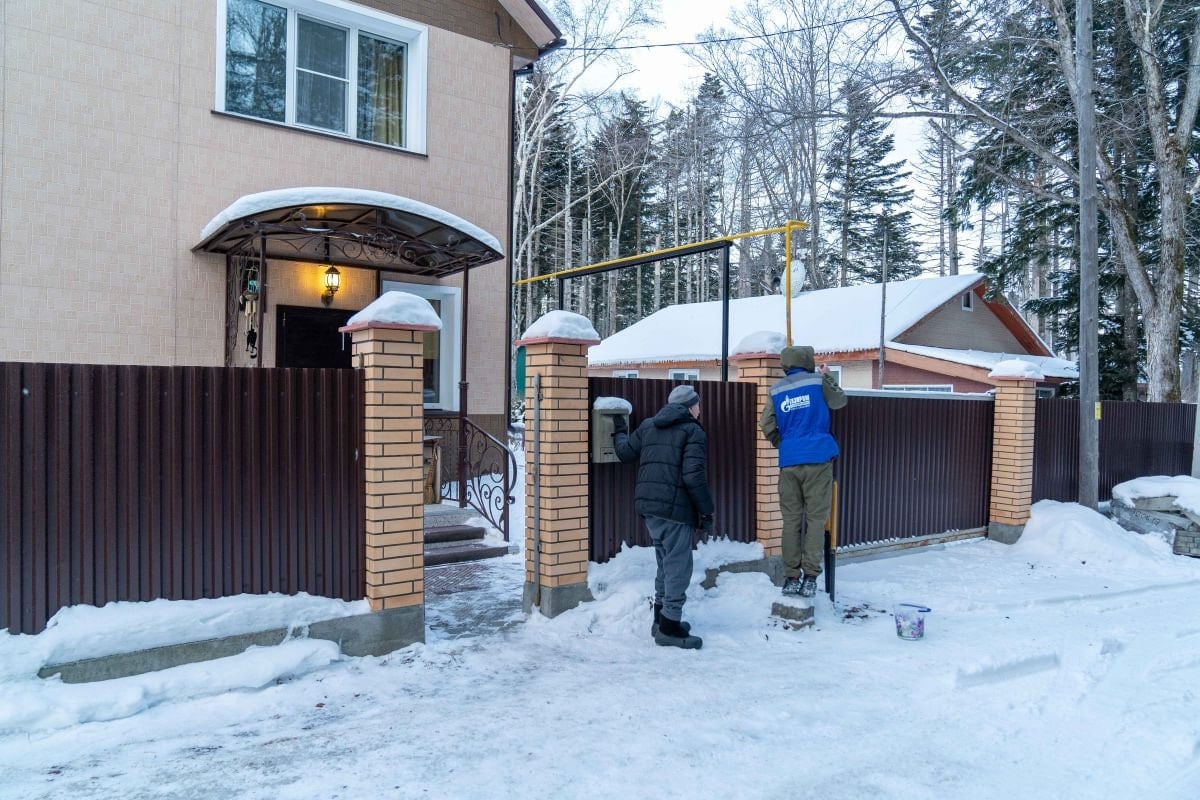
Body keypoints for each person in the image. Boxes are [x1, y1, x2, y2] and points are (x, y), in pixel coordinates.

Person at [612, 384, 713, 650]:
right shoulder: (693, 431)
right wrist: (706, 510)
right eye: (697, 404)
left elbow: (624, 453)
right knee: (679, 565)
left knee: (665, 562)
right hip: (675, 510)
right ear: (690, 407)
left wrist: (619, 431)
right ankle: (669, 627)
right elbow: (694, 476)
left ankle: (661, 617)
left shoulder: (648, 425)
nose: (699, 409)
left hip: (650, 508)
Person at [759, 346, 847, 598]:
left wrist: (785, 444)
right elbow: (840, 401)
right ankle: (810, 577)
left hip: (790, 462)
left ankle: (791, 577)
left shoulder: (776, 389)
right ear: (807, 361)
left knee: (791, 521)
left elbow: (766, 424)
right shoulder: (818, 381)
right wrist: (827, 375)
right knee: (816, 520)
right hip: (818, 460)